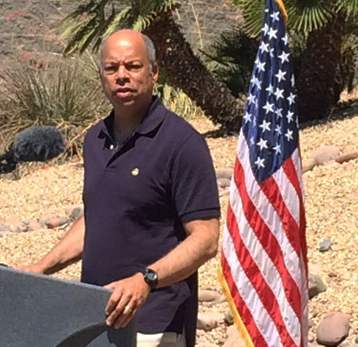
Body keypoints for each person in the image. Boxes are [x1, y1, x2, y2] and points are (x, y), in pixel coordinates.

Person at [18, 29, 221, 347]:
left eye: (133, 66)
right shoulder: (95, 139)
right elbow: (98, 218)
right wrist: (41, 268)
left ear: (154, 73)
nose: (122, 76)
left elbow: (206, 240)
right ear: (101, 77)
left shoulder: (182, 143)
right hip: (96, 319)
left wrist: (146, 280)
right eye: (112, 68)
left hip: (154, 325)